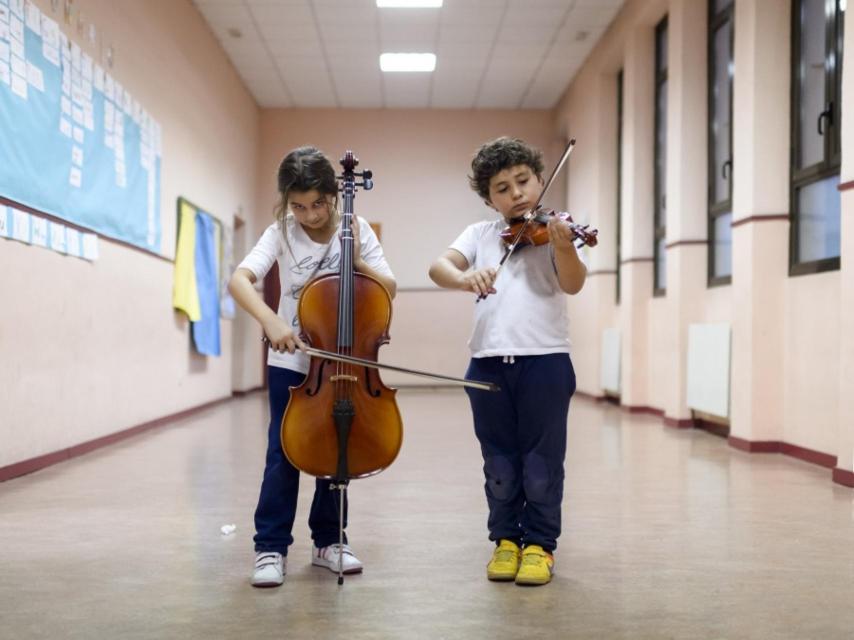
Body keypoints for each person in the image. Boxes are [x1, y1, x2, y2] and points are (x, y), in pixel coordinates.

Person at [228, 146, 396, 588]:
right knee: (283, 451)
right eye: (298, 206)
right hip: (291, 362)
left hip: (344, 362)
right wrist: (270, 318)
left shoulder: (356, 229)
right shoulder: (280, 232)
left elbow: (389, 287)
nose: (309, 215)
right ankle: (270, 547)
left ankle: (329, 541)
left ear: (333, 196)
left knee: (334, 449)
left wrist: (357, 257)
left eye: (317, 204)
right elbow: (240, 280)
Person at [427, 136, 586, 586]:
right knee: (499, 462)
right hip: (488, 364)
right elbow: (439, 267)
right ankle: (505, 541)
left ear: (540, 180)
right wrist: (463, 277)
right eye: (502, 187)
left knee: (541, 462)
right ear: (487, 198)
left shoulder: (555, 231)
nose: (516, 193)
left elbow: (572, 284)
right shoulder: (480, 236)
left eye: (523, 181)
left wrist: (565, 248)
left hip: (546, 361)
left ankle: (539, 545)